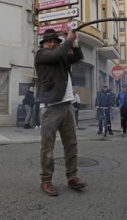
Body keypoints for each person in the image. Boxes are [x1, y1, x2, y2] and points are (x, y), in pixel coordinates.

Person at [35, 29, 87, 196]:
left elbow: (78, 57)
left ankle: (72, 176)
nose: (52, 44)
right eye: (48, 42)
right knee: (47, 146)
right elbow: (57, 54)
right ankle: (46, 180)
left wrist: (75, 42)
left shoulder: (60, 55)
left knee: (71, 144)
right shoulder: (41, 55)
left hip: (67, 105)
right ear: (42, 44)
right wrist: (67, 41)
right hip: (51, 107)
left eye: (55, 42)